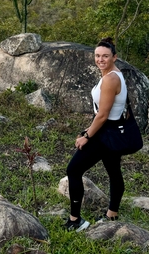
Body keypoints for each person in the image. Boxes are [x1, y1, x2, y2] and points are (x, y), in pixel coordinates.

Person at [64, 37, 127, 231]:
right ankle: (112, 214)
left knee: (73, 170)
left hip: (105, 133)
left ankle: (76, 221)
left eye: (105, 56)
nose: (100, 59)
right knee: (114, 172)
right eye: (98, 55)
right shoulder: (114, 74)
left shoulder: (110, 79)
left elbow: (103, 115)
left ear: (114, 57)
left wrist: (87, 136)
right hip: (113, 131)